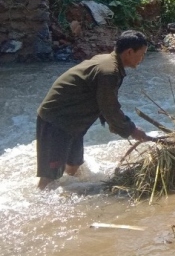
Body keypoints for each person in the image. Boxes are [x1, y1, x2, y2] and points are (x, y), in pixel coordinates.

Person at [36, 30, 152, 189]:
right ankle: (40, 199)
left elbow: (103, 102)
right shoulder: (109, 72)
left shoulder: (108, 62)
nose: (142, 58)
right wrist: (131, 129)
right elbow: (110, 108)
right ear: (129, 52)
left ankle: (69, 193)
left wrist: (117, 126)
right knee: (50, 177)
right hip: (57, 120)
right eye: (142, 54)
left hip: (73, 121)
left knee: (74, 165)